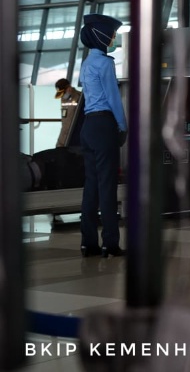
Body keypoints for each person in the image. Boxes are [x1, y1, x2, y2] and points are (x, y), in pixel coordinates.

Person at [78, 13, 127, 258]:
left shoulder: (85, 63)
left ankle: (88, 243)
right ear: (102, 35)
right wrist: (122, 126)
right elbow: (113, 98)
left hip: (87, 127)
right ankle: (111, 243)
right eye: (112, 34)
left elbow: (85, 91)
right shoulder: (105, 64)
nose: (114, 38)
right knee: (107, 186)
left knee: (91, 186)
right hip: (104, 125)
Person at [54, 78, 82, 148]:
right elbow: (65, 120)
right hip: (64, 135)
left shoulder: (80, 97)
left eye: (63, 92)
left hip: (76, 135)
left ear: (69, 88)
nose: (62, 95)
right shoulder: (63, 98)